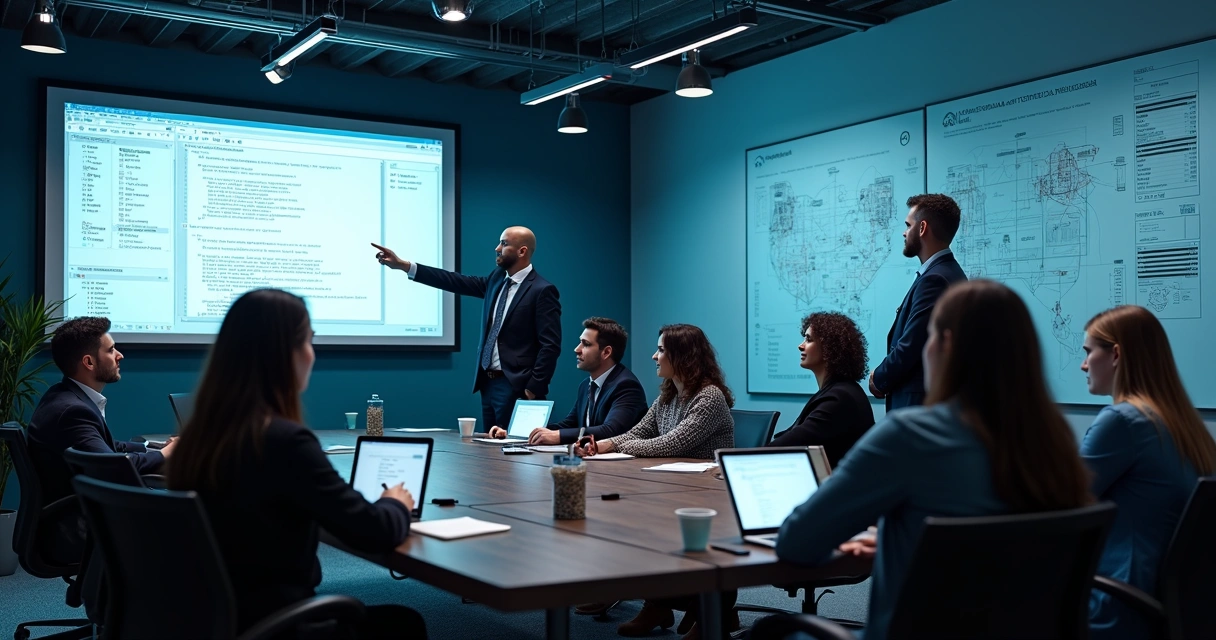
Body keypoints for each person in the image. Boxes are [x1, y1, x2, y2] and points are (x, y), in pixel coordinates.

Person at [776, 280, 1092, 640]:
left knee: (772, 632)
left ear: (945, 346)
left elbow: (795, 543)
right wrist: (911, 541)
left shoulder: (910, 436)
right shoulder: (1054, 444)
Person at [166, 289, 426, 638]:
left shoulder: (200, 437)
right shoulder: (283, 441)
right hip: (274, 625)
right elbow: (372, 531)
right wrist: (395, 501)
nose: (312, 354)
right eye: (309, 341)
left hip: (213, 618)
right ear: (282, 355)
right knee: (404, 625)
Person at [576, 324, 735, 639]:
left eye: (661, 350)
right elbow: (639, 433)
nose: (654, 356)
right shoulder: (669, 395)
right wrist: (605, 444)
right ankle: (657, 604)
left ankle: (718, 611)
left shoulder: (710, 397)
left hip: (706, 494)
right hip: (672, 487)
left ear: (683, 356)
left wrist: (613, 445)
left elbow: (670, 444)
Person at [1079, 305, 1216, 640]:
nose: (1083, 364)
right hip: (1164, 607)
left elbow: (1060, 502)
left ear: (1115, 354)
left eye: (1088, 352)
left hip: (1116, 607)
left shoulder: (1122, 421)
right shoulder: (1184, 426)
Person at [372, 226, 561, 433]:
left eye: (504, 244)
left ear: (522, 251)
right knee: (491, 455)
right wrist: (405, 266)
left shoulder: (542, 290)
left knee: (515, 458)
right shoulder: (497, 279)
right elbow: (456, 281)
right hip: (488, 384)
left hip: (517, 387)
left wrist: (533, 389)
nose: (497, 248)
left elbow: (550, 346)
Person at [27, 316, 175, 564]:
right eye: (111, 350)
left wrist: (155, 446)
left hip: (82, 514)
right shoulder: (72, 411)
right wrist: (165, 456)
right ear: (89, 362)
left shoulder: (65, 396)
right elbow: (111, 466)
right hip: (80, 527)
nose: (120, 355)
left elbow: (107, 448)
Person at [869, 194, 967, 411]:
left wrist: (879, 378)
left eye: (908, 225)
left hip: (916, 406)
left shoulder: (935, 279)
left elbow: (911, 345)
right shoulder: (948, 273)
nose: (904, 232)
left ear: (922, 228)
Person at [489, 317, 647, 445]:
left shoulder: (626, 386)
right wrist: (516, 433)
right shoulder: (586, 385)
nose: (576, 349)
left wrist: (558, 436)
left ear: (606, 352)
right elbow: (569, 424)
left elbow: (611, 430)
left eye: (585, 344)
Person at [767, 312, 874, 466]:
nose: (800, 345)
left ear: (829, 348)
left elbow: (789, 444)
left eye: (808, 339)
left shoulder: (840, 399)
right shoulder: (840, 390)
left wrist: (740, 460)